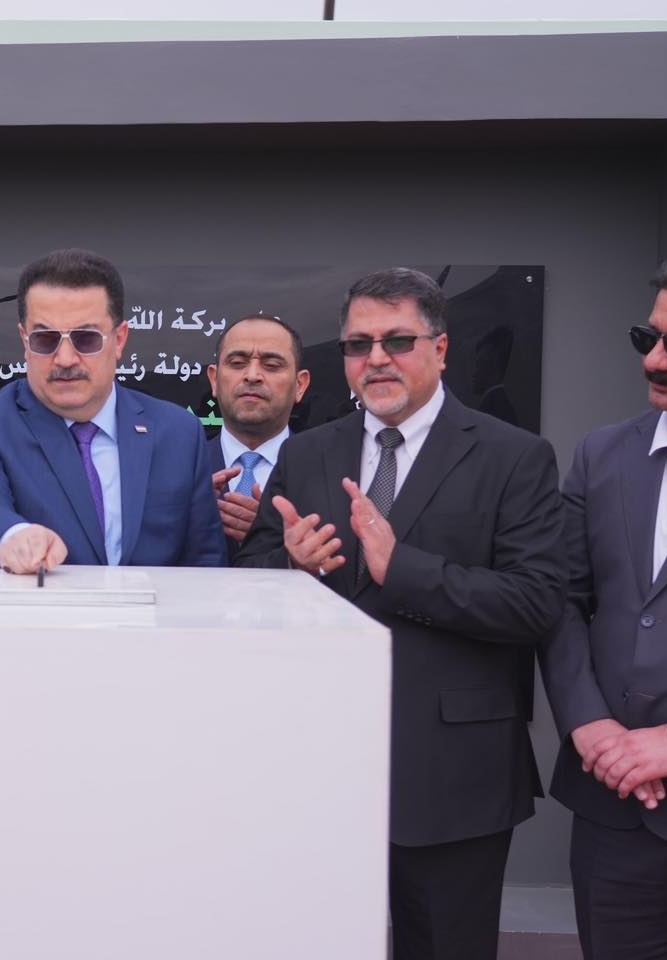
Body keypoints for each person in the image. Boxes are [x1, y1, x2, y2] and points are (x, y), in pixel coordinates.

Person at [235, 267, 565, 960]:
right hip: (316, 765)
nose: (376, 358)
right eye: (358, 345)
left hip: (454, 772)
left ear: (439, 348)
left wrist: (403, 569)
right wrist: (291, 567)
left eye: (397, 340)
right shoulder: (307, 451)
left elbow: (535, 602)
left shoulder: (514, 456)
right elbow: (251, 582)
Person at [541, 246, 667, 960]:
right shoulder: (601, 454)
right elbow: (560, 599)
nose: (655, 360)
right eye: (647, 338)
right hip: (614, 803)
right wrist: (590, 725)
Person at [0, 248, 225, 572]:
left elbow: (205, 561)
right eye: (45, 339)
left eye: (86, 339)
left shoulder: (178, 432)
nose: (65, 359)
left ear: (119, 340)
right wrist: (12, 537)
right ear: (24, 340)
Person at [205, 314, 309, 562]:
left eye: (271, 365)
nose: (252, 375)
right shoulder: (180, 468)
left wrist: (275, 538)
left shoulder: (328, 473)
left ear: (300, 385)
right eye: (237, 363)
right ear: (214, 379)